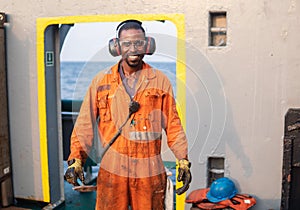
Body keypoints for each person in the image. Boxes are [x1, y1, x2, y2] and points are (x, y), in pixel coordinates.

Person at [64, 19, 192, 210]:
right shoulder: (101, 82)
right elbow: (85, 124)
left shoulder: (160, 81)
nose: (133, 49)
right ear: (116, 47)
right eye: (127, 44)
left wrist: (182, 159)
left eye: (138, 43)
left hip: (149, 169)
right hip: (112, 169)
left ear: (147, 45)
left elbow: (173, 124)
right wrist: (76, 159)